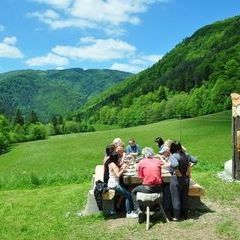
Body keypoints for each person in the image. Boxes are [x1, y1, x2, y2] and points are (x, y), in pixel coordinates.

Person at [168, 141, 198, 221]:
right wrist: (189, 167)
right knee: (184, 197)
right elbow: (195, 160)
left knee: (176, 197)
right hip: (186, 178)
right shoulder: (187, 155)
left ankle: (177, 216)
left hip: (176, 179)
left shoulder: (173, 156)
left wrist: (177, 172)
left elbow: (174, 165)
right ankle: (185, 215)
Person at [131, 147, 163, 214]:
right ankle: (158, 208)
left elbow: (140, 177)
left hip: (148, 188)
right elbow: (159, 174)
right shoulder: (158, 161)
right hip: (159, 188)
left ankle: (138, 210)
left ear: (145, 155)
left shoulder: (142, 162)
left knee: (133, 191)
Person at [107, 152, 138, 218]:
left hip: (112, 183)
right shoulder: (113, 165)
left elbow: (116, 172)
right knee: (129, 195)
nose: (119, 158)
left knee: (127, 193)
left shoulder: (111, 163)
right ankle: (129, 212)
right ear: (116, 158)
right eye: (118, 157)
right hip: (114, 185)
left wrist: (122, 167)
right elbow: (118, 175)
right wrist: (124, 168)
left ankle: (130, 211)